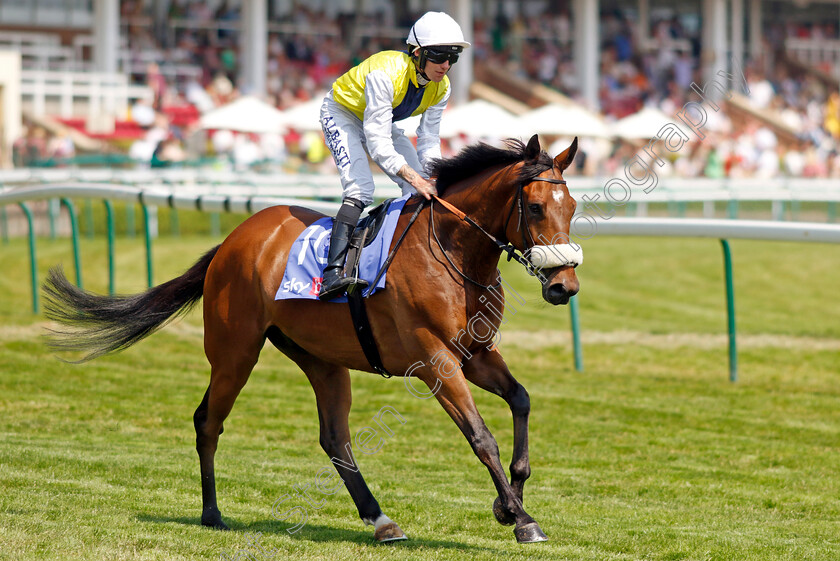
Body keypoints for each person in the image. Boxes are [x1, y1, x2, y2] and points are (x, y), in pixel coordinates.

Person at [317, 11, 470, 301]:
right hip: (342, 113)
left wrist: (433, 177)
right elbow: (377, 144)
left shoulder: (442, 87)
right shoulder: (386, 73)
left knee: (420, 187)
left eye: (452, 57)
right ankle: (332, 273)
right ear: (417, 53)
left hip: (380, 122)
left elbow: (428, 140)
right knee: (361, 189)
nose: (446, 65)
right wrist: (414, 176)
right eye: (439, 56)